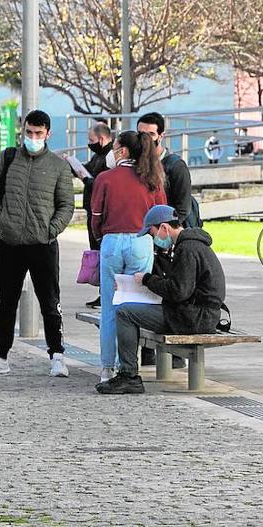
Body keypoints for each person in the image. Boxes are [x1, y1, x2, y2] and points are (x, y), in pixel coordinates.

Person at [0, 110, 75, 378]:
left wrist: (50, 230)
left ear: (48, 134)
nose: (33, 137)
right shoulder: (8, 158)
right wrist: (1, 219)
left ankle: (57, 355)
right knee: (5, 303)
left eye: (38, 133)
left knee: (50, 303)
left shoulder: (58, 166)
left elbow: (66, 205)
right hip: (9, 242)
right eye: (29, 132)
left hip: (43, 244)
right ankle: (0, 356)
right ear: (23, 131)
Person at [99, 205, 227, 395]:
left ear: (164, 228)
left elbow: (178, 291)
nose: (154, 239)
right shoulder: (191, 245)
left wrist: (147, 280)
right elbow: (180, 287)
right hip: (197, 313)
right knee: (131, 309)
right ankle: (128, 374)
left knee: (124, 313)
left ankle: (129, 376)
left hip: (193, 318)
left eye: (153, 233)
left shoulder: (188, 249)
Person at [89, 130, 167, 380]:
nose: (111, 153)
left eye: (114, 148)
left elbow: (96, 218)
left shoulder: (105, 178)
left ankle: (106, 367)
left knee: (110, 307)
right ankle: (129, 365)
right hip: (141, 241)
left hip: (112, 242)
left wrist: (103, 237)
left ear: (122, 151)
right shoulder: (152, 179)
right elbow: (162, 215)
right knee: (134, 306)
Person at [138, 112, 197, 228]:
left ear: (161, 136)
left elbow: (183, 208)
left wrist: (164, 230)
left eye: (151, 134)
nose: (145, 139)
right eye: (141, 134)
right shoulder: (136, 163)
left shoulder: (176, 166)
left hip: (166, 232)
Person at [80, 122, 114, 309]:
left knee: (104, 254)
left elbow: (102, 185)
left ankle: (106, 294)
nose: (89, 143)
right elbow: (88, 169)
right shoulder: (99, 156)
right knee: (97, 253)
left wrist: (86, 179)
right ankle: (102, 292)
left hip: (103, 214)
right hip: (92, 211)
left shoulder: (109, 157)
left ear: (101, 139)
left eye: (91, 140)